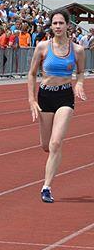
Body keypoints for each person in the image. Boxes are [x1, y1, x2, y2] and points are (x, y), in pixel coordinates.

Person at [27, 10, 87, 203]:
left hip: (64, 97)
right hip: (45, 96)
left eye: (61, 23)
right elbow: (31, 74)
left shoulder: (77, 50)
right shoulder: (43, 47)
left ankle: (46, 187)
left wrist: (79, 83)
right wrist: (31, 100)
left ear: (68, 25)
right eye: (55, 23)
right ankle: (55, 153)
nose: (58, 26)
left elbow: (80, 72)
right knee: (46, 145)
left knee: (55, 143)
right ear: (51, 26)